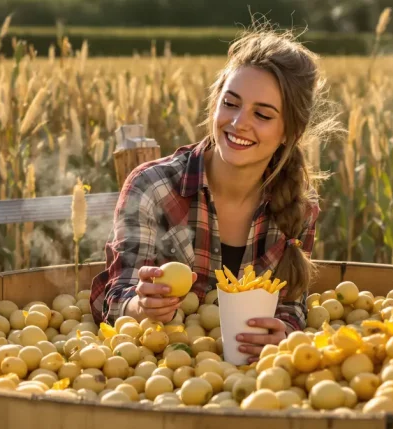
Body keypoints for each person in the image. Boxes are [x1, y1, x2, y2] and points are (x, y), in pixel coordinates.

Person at [90, 23, 339, 363]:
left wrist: (285, 332)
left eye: (262, 114)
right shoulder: (153, 187)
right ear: (214, 104)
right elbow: (115, 298)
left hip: (261, 385)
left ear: (290, 133)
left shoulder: (299, 206)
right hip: (163, 373)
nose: (238, 123)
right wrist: (142, 305)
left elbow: (292, 305)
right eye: (230, 103)